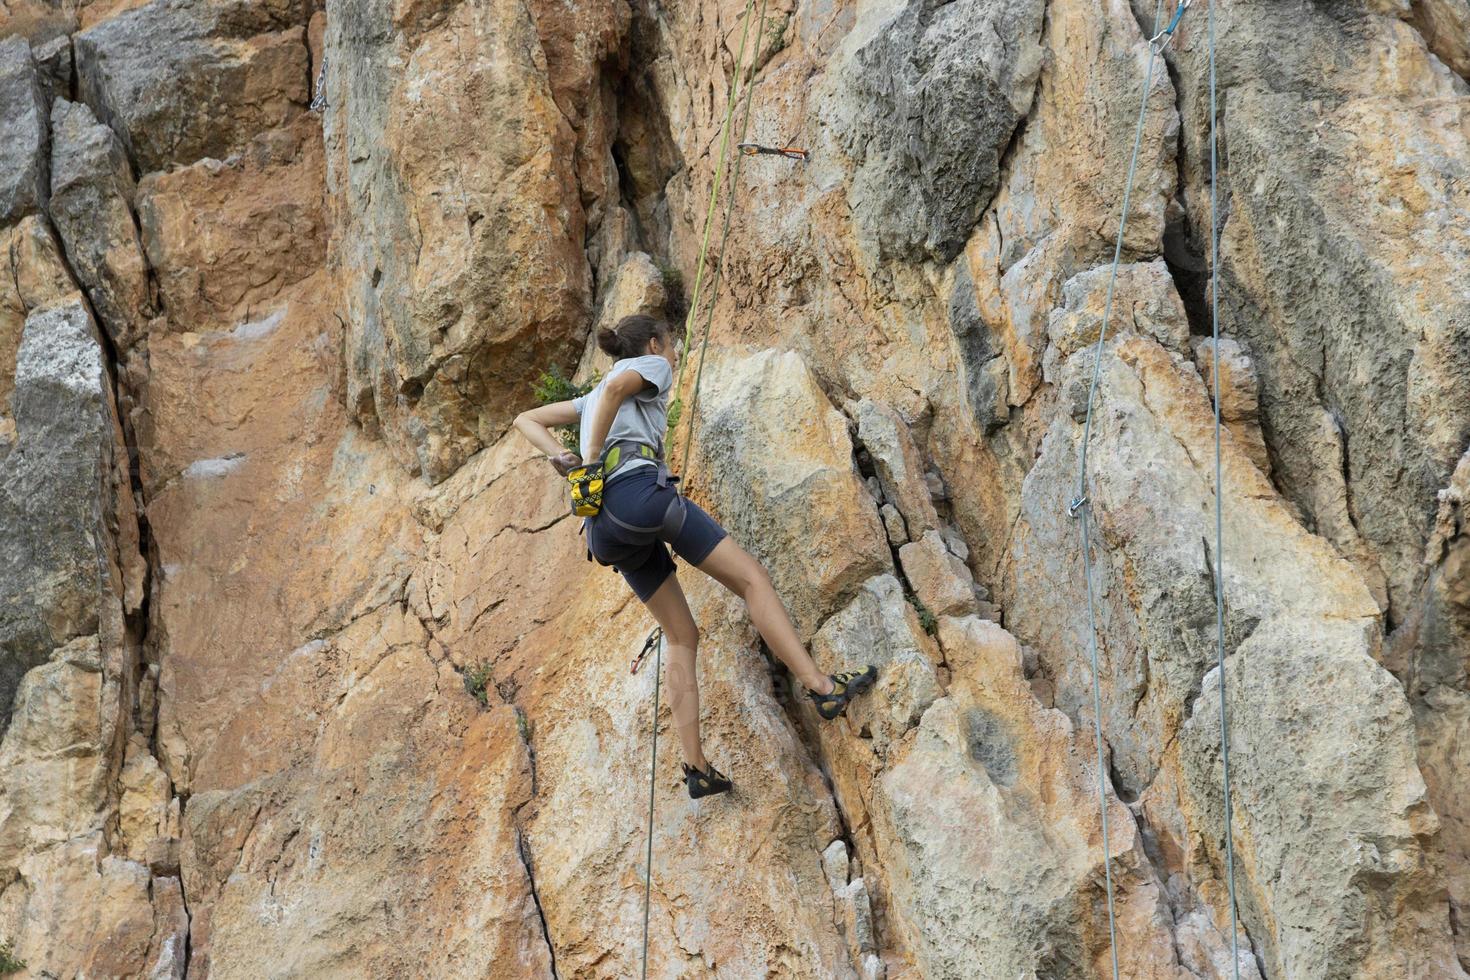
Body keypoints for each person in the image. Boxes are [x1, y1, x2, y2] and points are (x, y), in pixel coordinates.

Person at [513, 314, 877, 799]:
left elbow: (526, 419)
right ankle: (822, 688)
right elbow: (624, 383)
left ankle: (697, 767)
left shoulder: (588, 398)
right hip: (638, 497)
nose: (677, 356)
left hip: (604, 530)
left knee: (681, 635)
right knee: (752, 580)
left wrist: (567, 463)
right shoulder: (649, 366)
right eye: (673, 347)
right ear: (653, 342)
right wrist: (595, 457)